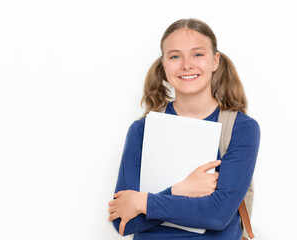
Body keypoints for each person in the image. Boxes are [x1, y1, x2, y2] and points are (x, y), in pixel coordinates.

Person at [108, 18, 260, 240]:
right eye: (175, 56)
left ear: (215, 61)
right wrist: (182, 189)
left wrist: (143, 202)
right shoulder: (141, 130)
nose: (187, 64)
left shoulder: (241, 129)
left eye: (198, 54)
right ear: (164, 64)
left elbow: (217, 215)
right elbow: (124, 222)